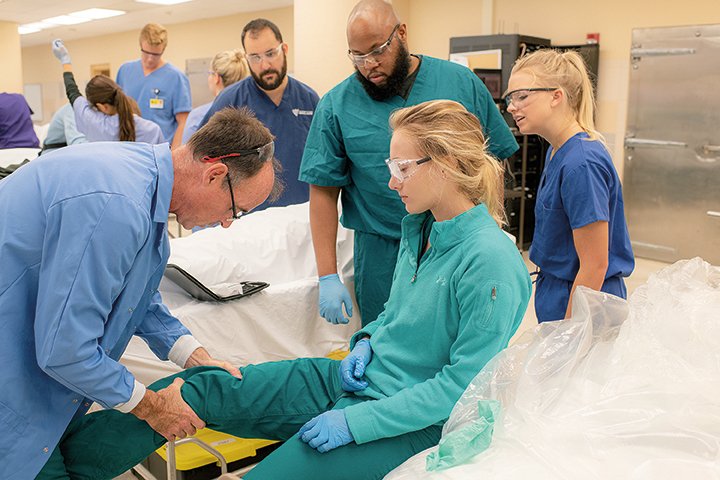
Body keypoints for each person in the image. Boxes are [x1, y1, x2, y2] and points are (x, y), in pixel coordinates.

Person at [35, 100, 532, 480]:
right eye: (390, 166)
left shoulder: (490, 261)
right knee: (198, 388)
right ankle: (55, 468)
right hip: (357, 379)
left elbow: (463, 388)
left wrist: (354, 425)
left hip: (408, 418)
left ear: (444, 164)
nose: (391, 181)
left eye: (402, 168)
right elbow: (393, 320)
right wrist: (365, 343)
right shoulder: (418, 229)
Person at [0, 107, 282, 480]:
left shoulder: (143, 182)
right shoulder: (119, 205)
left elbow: (137, 297)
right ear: (215, 174)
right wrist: (153, 407)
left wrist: (194, 357)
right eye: (236, 209)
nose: (227, 222)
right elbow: (65, 350)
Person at [299, 0, 519, 327]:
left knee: (461, 338)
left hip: (458, 242)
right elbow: (323, 191)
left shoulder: (460, 84)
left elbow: (493, 161)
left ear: (401, 33)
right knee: (387, 347)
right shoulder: (336, 105)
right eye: (357, 56)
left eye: (377, 50)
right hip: (382, 254)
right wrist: (327, 275)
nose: (368, 64)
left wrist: (494, 231)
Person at [505, 49, 634, 322]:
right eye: (510, 98)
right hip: (559, 291)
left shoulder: (581, 164)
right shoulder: (557, 151)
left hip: (585, 302)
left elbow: (595, 265)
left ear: (556, 96)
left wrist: (569, 336)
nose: (511, 106)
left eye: (522, 96)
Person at [200, 18, 320, 209]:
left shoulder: (310, 100)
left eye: (271, 54)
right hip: (249, 221)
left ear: (285, 49)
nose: (264, 65)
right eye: (255, 57)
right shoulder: (230, 101)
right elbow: (202, 158)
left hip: (302, 216)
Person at [52, 39, 164, 144]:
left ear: (102, 107)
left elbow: (72, 91)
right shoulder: (151, 129)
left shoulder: (95, 123)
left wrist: (65, 60)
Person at [116, 23, 192, 149]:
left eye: (156, 54)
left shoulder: (176, 77)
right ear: (140, 45)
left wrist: (173, 153)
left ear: (164, 49)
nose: (150, 59)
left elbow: (183, 121)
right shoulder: (125, 70)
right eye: (146, 53)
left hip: (158, 150)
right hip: (128, 147)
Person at [181, 49, 249, 144]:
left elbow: (187, 153)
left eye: (209, 73)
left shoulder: (198, 116)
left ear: (216, 77)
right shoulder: (250, 114)